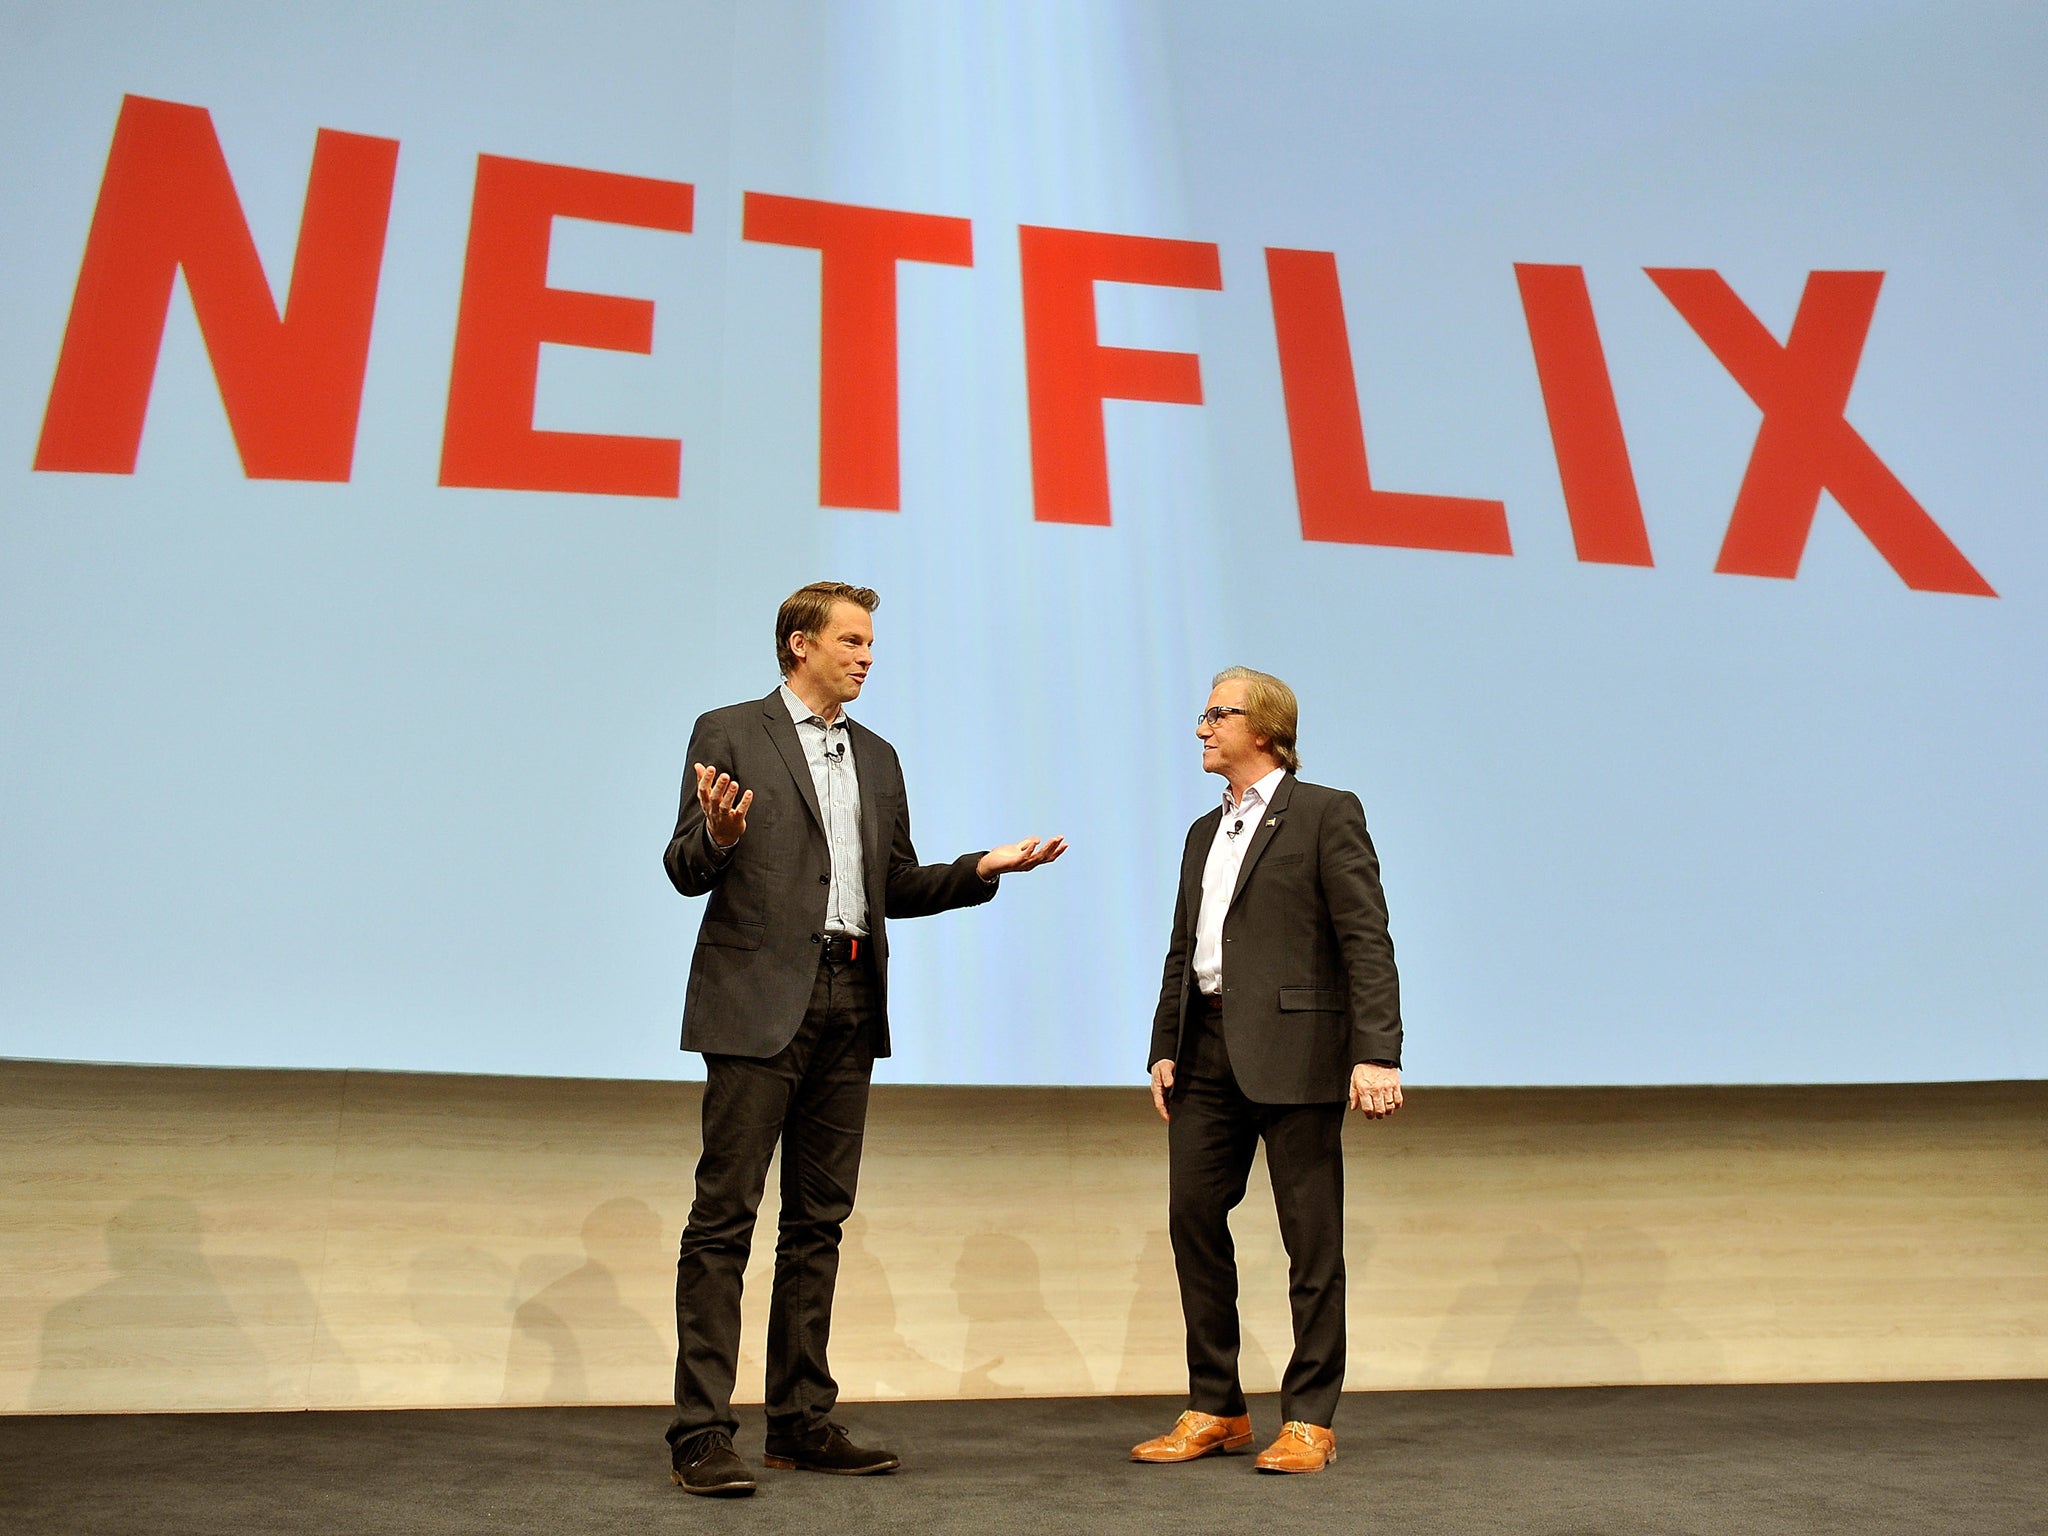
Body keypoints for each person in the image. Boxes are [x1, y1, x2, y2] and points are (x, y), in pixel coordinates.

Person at [661, 581, 1066, 1497]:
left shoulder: (877, 757)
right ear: (798, 644)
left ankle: (799, 1421)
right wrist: (720, 835)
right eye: (851, 640)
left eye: (871, 644)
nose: (867, 656)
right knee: (723, 1221)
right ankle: (700, 1433)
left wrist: (981, 870)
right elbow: (684, 865)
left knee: (818, 1224)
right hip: (758, 1000)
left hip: (852, 995)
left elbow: (895, 884)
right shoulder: (728, 730)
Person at [1131, 666, 1402, 1475]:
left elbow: (1365, 939)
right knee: (1192, 1220)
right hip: (1206, 1053)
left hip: (1301, 1055)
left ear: (1266, 727)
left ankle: (1311, 1417)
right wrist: (1164, 1044)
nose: (1202, 727)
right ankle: (1216, 1405)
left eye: (1218, 713)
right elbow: (1186, 949)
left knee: (1310, 1241)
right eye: (1204, 713)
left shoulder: (1325, 814)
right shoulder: (1199, 833)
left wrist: (1377, 1049)